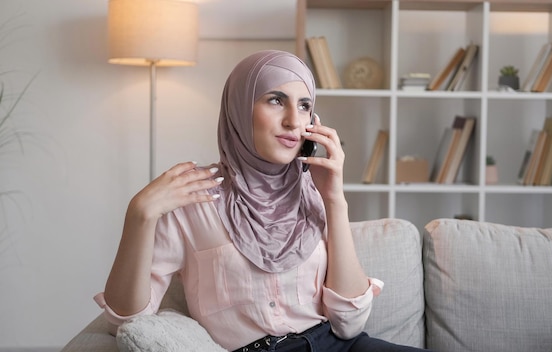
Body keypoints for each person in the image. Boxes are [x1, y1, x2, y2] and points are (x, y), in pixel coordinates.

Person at [95, 50, 429, 352]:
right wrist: (139, 215)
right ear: (240, 108)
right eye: (275, 100)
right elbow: (125, 320)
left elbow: (349, 323)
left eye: (304, 105)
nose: (294, 122)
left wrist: (334, 200)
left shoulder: (314, 192)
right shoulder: (194, 197)